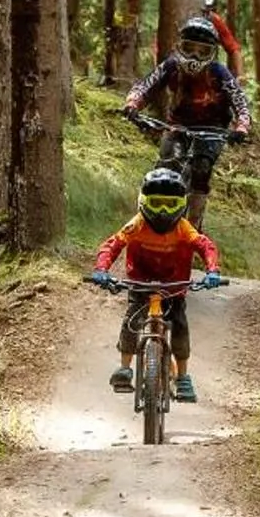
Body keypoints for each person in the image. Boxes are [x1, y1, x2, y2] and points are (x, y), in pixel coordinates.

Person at [92, 166, 225, 402]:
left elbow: (205, 246)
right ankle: (125, 367)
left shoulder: (184, 228)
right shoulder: (138, 224)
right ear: (144, 202)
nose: (163, 211)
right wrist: (101, 269)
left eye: (170, 204)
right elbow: (113, 244)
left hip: (174, 286)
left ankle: (183, 376)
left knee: (180, 327)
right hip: (140, 283)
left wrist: (212, 270)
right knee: (131, 321)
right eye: (157, 203)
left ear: (181, 204)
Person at [123, 15, 252, 229]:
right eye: (189, 48)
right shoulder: (172, 66)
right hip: (178, 124)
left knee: (201, 168)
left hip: (213, 129)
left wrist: (242, 127)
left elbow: (240, 101)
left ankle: (193, 227)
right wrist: (132, 104)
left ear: (213, 53)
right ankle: (145, 220)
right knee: (167, 165)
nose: (194, 56)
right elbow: (146, 85)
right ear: (179, 46)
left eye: (202, 51)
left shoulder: (219, 72)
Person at [199, 0, 242, 77]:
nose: (204, 13)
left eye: (207, 9)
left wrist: (240, 77)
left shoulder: (213, 20)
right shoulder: (179, 17)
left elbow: (234, 49)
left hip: (206, 69)